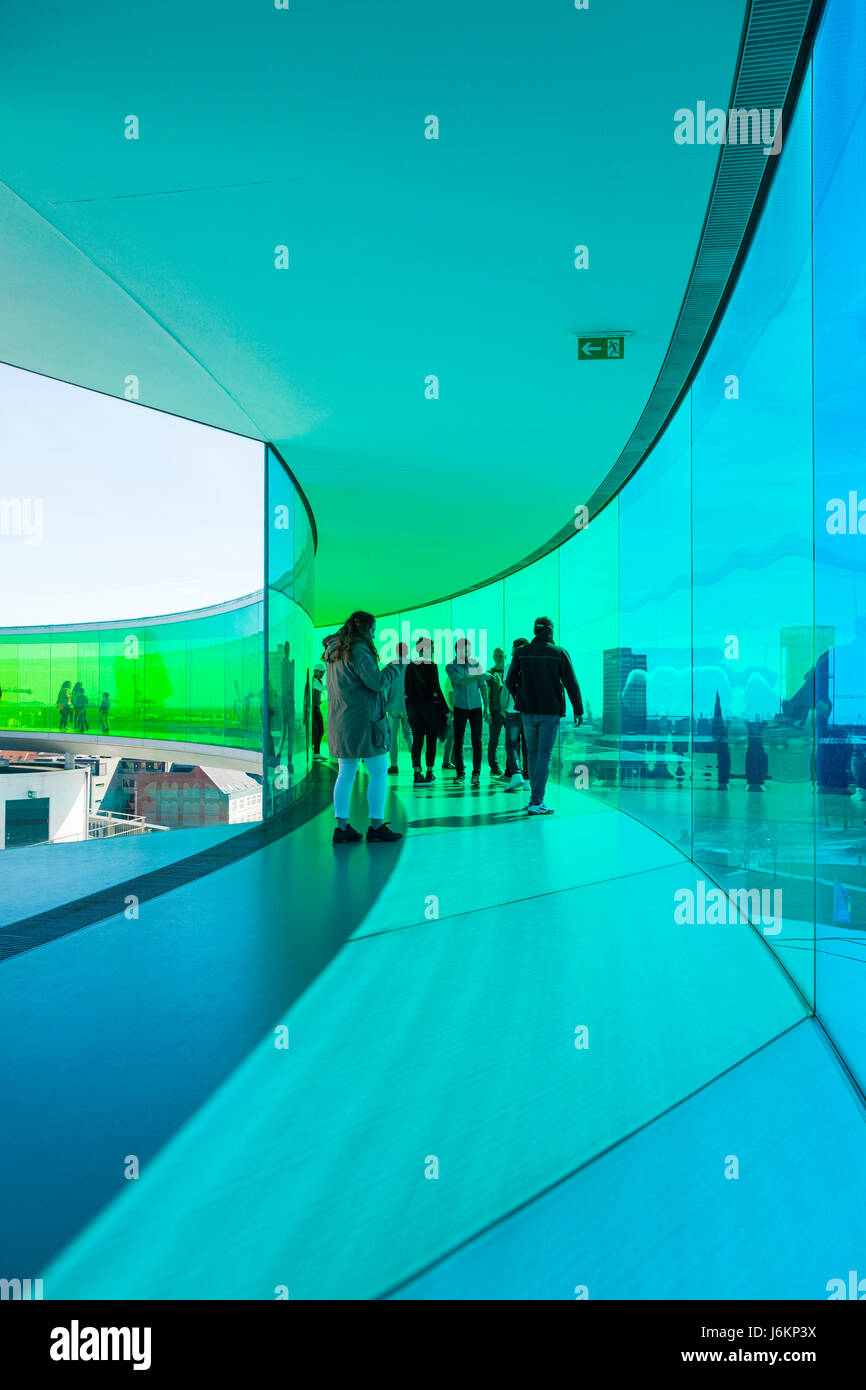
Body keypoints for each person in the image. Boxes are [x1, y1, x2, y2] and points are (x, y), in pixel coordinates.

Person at [323, 610, 404, 843]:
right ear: (366, 629)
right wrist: (397, 664)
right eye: (374, 631)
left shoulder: (334, 650)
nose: (375, 637)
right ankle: (376, 827)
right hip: (365, 723)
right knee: (379, 774)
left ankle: (341, 828)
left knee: (345, 774)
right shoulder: (358, 650)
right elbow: (377, 682)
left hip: (341, 722)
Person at [505, 616, 582, 814]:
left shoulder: (522, 653)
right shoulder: (559, 653)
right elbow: (571, 684)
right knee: (544, 755)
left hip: (528, 712)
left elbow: (509, 680)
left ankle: (534, 798)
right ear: (550, 631)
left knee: (532, 754)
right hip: (550, 712)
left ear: (535, 631)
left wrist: (519, 698)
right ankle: (536, 801)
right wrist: (578, 710)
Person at [405, 636, 448, 786]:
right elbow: (436, 689)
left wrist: (408, 711)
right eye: (433, 648)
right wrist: (446, 711)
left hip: (413, 710)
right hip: (430, 709)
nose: (435, 650)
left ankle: (417, 773)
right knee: (430, 741)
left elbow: (406, 692)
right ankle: (429, 773)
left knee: (417, 741)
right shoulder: (432, 665)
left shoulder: (410, 666)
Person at [446, 637, 489, 787]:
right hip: (460, 707)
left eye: (468, 648)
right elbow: (462, 681)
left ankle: (476, 773)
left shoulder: (475, 663)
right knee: (458, 741)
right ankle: (460, 774)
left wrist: (487, 708)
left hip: (476, 707)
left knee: (477, 741)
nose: (467, 651)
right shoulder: (450, 666)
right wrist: (479, 675)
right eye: (464, 648)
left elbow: (483, 686)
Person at [501, 637, 530, 793]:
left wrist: (501, 708)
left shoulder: (509, 666)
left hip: (512, 711)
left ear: (513, 649)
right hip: (528, 711)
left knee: (512, 745)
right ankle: (528, 780)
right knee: (528, 746)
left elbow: (506, 690)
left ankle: (516, 775)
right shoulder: (532, 664)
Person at [385, 642, 412, 775]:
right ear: (407, 652)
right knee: (409, 736)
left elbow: (385, 686)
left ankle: (394, 765)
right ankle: (416, 764)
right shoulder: (412, 665)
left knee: (393, 737)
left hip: (393, 706)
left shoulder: (391, 665)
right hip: (408, 706)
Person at [486, 647, 506, 774]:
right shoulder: (490, 673)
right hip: (495, 711)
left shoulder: (510, 671)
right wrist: (487, 711)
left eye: (500, 655)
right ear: (493, 657)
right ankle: (494, 766)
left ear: (505, 657)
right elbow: (486, 694)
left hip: (509, 711)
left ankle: (512, 768)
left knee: (513, 740)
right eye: (496, 655)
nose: (498, 657)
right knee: (494, 739)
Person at [311, 662, 326, 757]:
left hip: (316, 708)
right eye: (321, 672)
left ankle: (315, 751)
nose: (323, 674)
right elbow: (322, 688)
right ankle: (316, 752)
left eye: (323, 672)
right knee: (319, 730)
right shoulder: (315, 681)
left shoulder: (316, 680)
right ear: (316, 671)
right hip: (315, 708)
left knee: (318, 730)